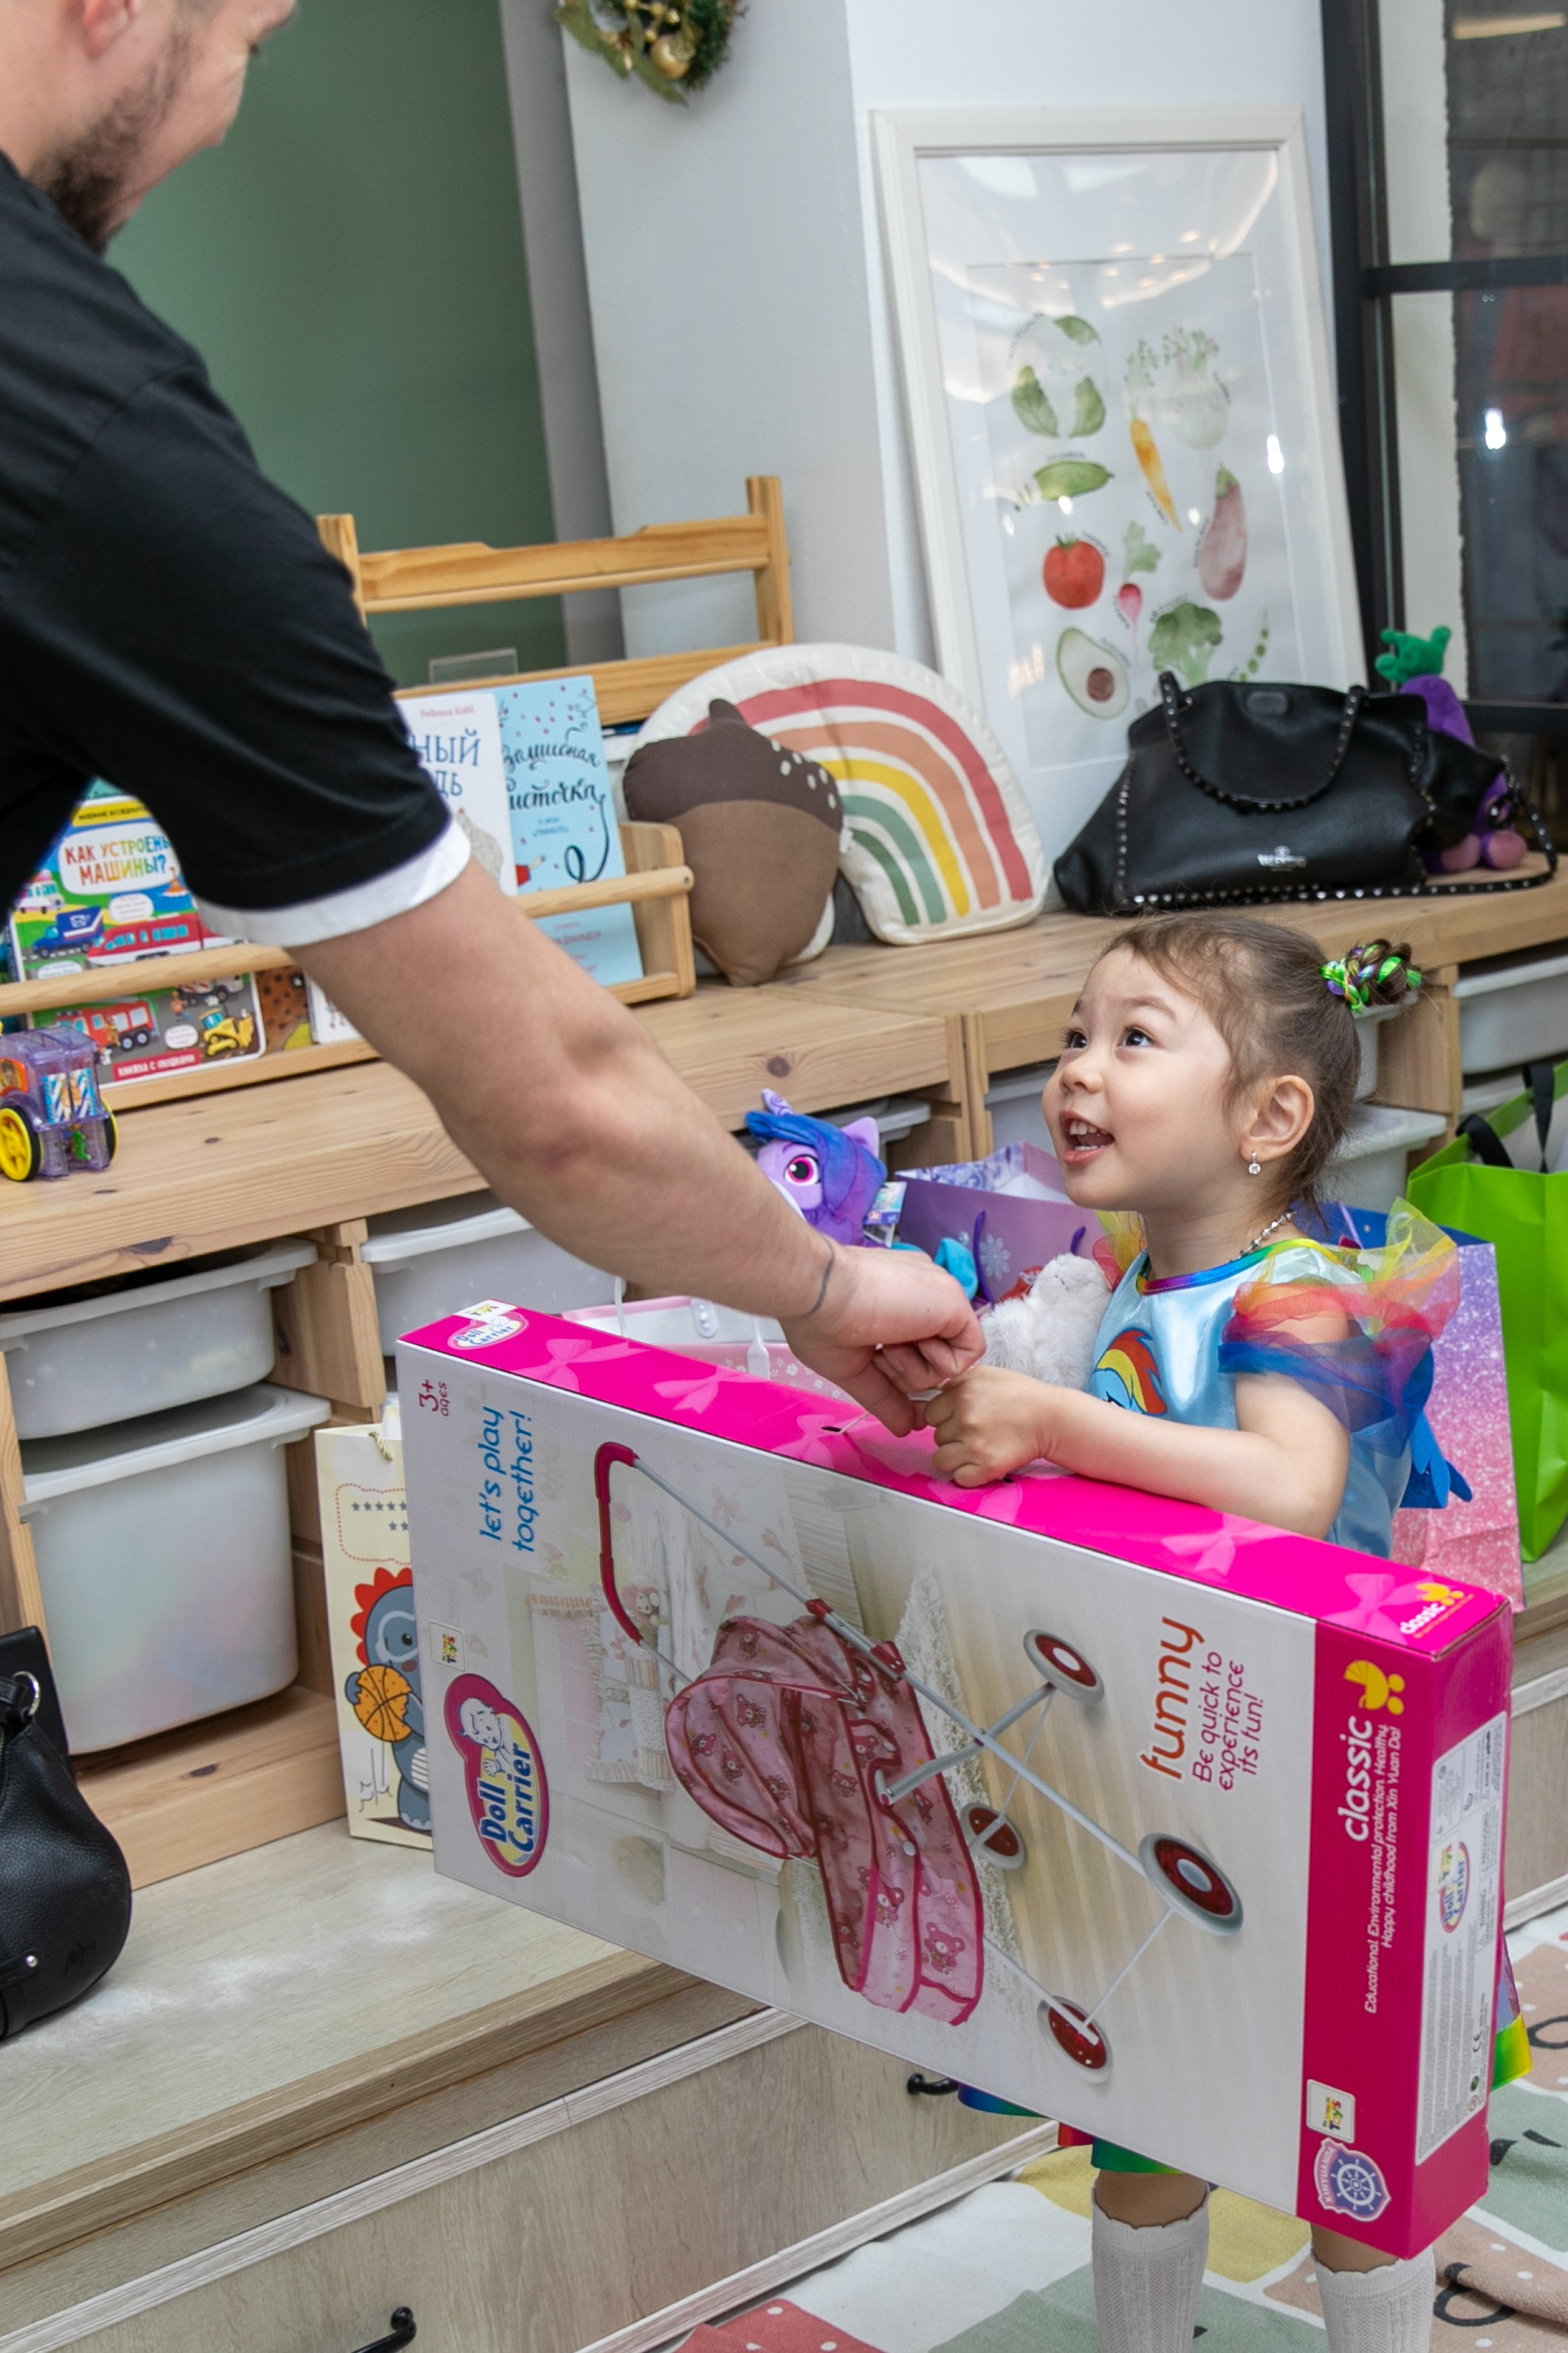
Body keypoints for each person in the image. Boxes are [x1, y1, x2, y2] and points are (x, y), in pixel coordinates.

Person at [0, 0, 981, 1426]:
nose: (221, 115)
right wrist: (827, 1287)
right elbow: (561, 1104)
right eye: (252, 44)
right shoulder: (106, 451)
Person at [923, 917, 1527, 2353]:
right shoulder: (1139, 1273)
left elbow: (1289, 1485)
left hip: (1332, 1784)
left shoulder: (1304, 1290)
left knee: (1353, 2129)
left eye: (1135, 1038)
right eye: (1076, 1033)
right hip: (1176, 1755)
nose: (1078, 1070)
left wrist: (1057, 1423)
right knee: (1150, 2100)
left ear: (1269, 1116)